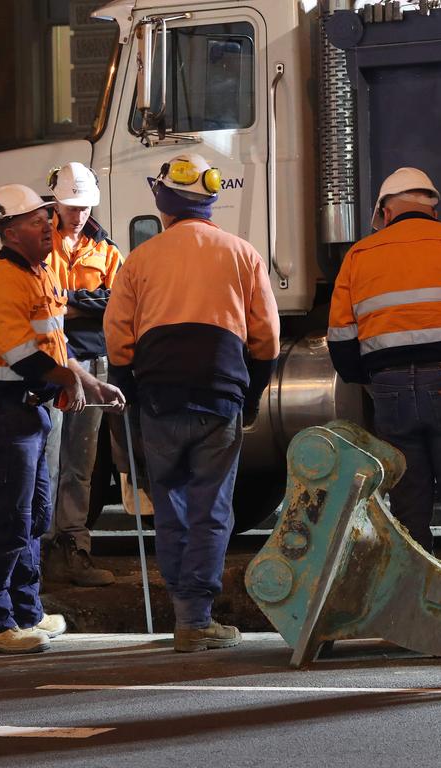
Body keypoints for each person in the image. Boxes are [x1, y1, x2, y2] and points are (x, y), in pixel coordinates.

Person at [104, 153, 280, 653]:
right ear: (210, 200)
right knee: (211, 507)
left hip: (159, 398)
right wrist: (252, 394)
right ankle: (196, 619)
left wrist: (130, 389)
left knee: (171, 505)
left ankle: (187, 615)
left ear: (162, 201)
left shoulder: (140, 260)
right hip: (219, 394)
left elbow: (117, 337)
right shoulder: (242, 253)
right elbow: (266, 339)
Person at [0, 184, 125, 654]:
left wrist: (89, 381)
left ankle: (26, 612)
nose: (48, 226)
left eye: (46, 218)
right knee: (11, 518)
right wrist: (68, 381)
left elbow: (55, 349)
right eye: (37, 221)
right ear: (10, 231)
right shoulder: (2, 281)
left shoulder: (38, 274)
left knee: (34, 515)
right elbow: (22, 356)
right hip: (5, 412)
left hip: (28, 412)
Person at [328, 167, 441, 578]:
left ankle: (419, 607)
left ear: (385, 210)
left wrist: (375, 383)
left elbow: (341, 340)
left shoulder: (360, 256)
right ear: (431, 206)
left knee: (409, 504)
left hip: (391, 388)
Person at [41, 162, 124, 587]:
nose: (78, 214)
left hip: (92, 362)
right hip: (51, 365)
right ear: (56, 201)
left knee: (81, 461)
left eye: (84, 207)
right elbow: (39, 298)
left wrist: (72, 303)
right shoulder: (39, 239)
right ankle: (41, 548)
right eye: (71, 206)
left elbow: (120, 298)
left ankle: (74, 544)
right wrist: (84, 303)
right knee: (49, 457)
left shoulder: (106, 248)